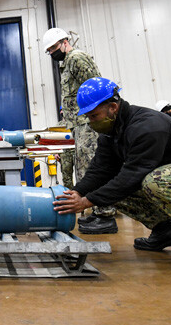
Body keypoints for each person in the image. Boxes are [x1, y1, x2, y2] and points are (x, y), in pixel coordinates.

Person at [53, 77, 171, 272]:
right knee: (110, 189)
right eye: (88, 117)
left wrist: (87, 201)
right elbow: (100, 170)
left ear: (113, 107)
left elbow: (133, 174)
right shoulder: (111, 132)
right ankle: (165, 231)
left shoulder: (146, 125)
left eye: (94, 115)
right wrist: (77, 193)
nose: (92, 122)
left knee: (157, 181)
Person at [42, 27, 117, 234]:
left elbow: (96, 86)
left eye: (54, 48)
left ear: (65, 42)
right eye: (49, 51)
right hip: (77, 123)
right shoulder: (66, 65)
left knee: (92, 167)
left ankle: (106, 214)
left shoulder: (77, 58)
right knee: (84, 169)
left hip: (88, 122)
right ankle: (98, 210)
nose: (52, 53)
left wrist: (99, 120)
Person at [57, 107, 75, 189]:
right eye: (61, 110)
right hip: (64, 152)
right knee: (66, 177)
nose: (62, 112)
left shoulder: (75, 123)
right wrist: (56, 152)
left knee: (82, 174)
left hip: (76, 151)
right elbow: (55, 140)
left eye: (63, 110)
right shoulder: (59, 125)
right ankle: (70, 195)